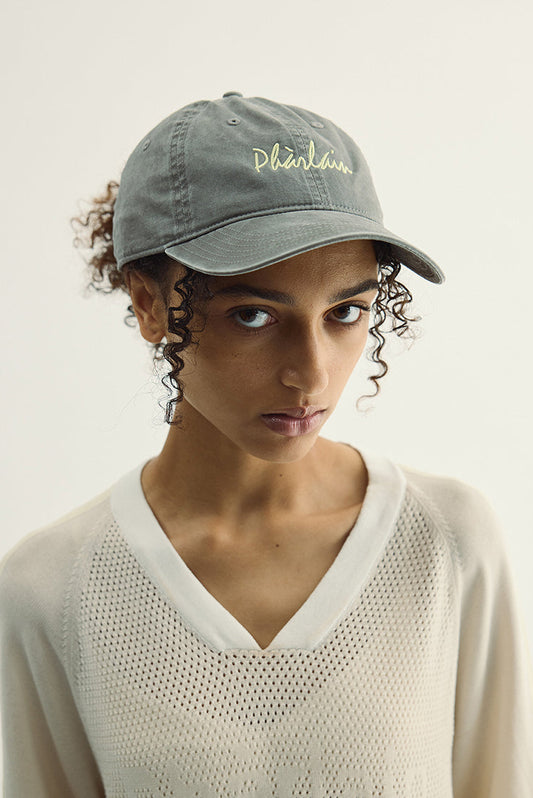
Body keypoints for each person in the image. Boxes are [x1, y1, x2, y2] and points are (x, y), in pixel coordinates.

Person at [0, 91, 531, 797]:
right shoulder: (51, 590)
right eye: (253, 314)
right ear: (148, 303)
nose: (310, 373)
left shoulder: (444, 545)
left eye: (345, 312)